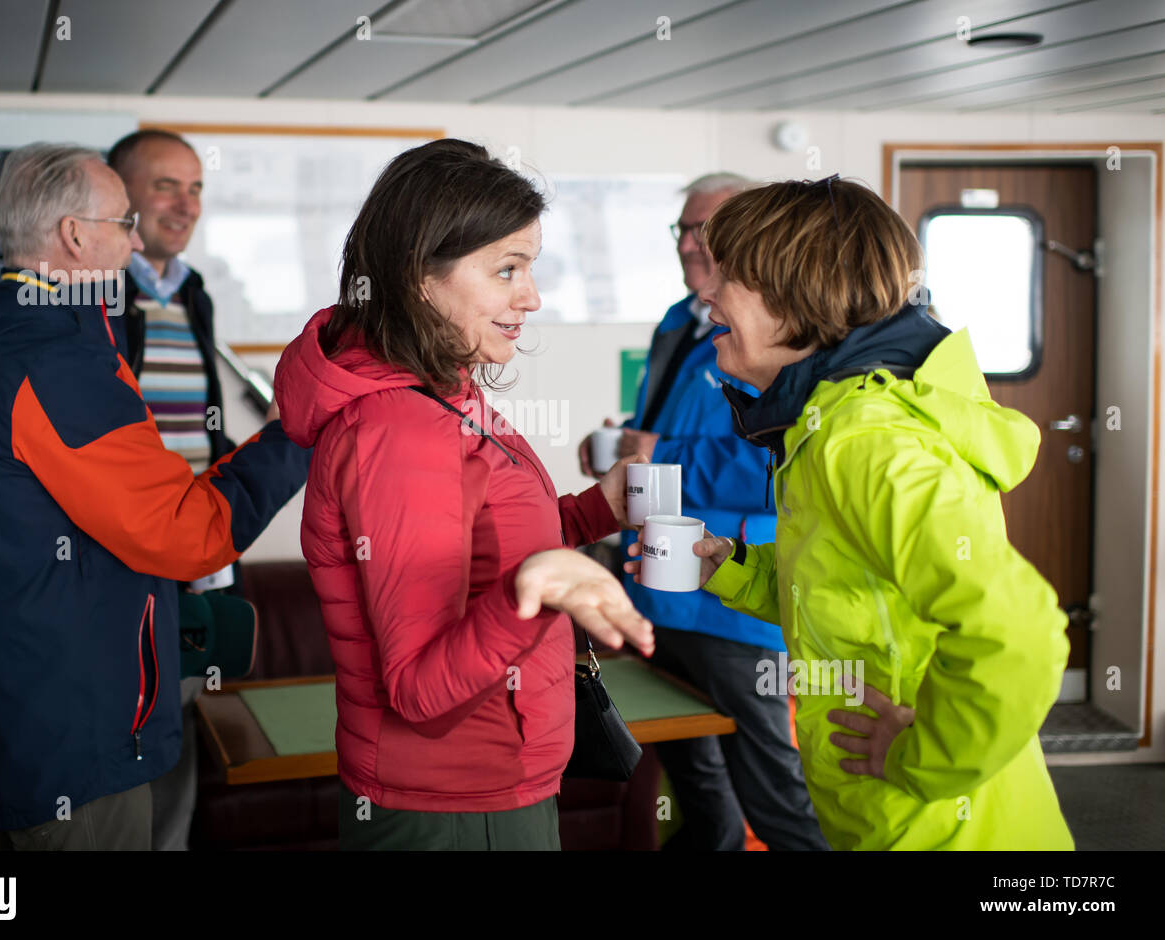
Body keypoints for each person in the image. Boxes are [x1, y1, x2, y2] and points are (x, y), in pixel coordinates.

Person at [625, 175, 1074, 850]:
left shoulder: (862, 442)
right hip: (882, 815)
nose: (709, 294)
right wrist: (735, 569)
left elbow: (1021, 633)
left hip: (939, 826)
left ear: (795, 300)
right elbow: (846, 593)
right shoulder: (822, 425)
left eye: (731, 277)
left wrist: (921, 756)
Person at [0, 143, 310, 850]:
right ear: (73, 235)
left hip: (44, 716)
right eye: (123, 222)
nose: (133, 241)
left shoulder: (17, 344)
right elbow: (188, 535)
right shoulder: (54, 363)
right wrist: (295, 439)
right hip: (78, 739)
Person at [274, 138, 655, 851]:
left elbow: (488, 545)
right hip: (455, 805)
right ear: (422, 277)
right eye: (506, 269)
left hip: (483, 784)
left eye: (530, 268)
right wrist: (531, 593)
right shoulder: (399, 430)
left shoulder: (442, 392)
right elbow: (420, 685)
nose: (531, 297)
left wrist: (600, 508)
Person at [577, 173, 827, 851]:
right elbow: (660, 430)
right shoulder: (676, 320)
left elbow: (786, 468)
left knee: (773, 795)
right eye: (682, 229)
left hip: (731, 600)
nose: (689, 243)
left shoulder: (785, 333)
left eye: (705, 229)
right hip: (658, 591)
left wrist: (666, 453)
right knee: (696, 786)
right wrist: (620, 446)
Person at [107, 128, 238, 851]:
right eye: (165, 186)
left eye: (195, 189)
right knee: (131, 721)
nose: (184, 204)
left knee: (182, 715)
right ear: (118, 195)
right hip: (126, 554)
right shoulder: (94, 293)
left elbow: (203, 425)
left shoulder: (194, 293)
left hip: (195, 551)